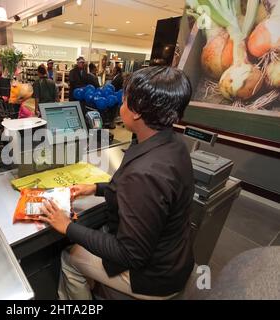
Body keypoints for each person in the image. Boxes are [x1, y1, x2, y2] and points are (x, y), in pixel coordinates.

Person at [39, 66, 195, 300]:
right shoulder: (173, 143)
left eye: (123, 100)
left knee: (69, 258)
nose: (119, 106)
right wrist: (96, 188)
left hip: (153, 277)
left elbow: (129, 254)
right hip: (174, 257)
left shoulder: (145, 174)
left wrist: (67, 226)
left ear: (137, 111)